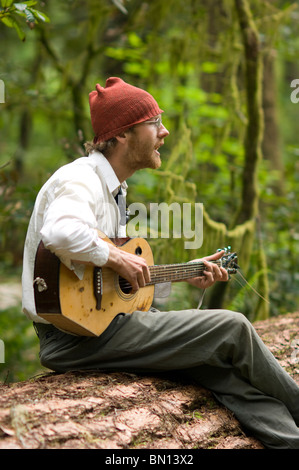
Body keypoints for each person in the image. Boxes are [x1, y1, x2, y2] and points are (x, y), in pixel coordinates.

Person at [22, 77, 299, 449]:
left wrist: (186, 273)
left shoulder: (115, 190)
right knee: (232, 328)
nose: (164, 132)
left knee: (217, 368)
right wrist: (117, 257)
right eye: (154, 123)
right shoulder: (80, 179)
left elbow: (103, 282)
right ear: (121, 134)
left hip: (99, 327)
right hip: (73, 339)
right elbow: (59, 233)